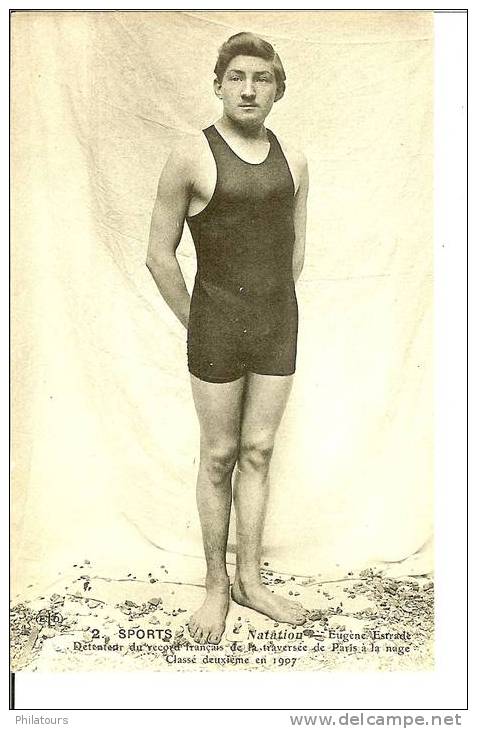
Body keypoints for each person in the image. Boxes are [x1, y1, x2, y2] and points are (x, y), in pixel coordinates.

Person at [146, 32, 309, 645]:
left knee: (259, 452)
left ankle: (251, 582)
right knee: (218, 457)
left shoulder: (296, 160)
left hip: (276, 324)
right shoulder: (191, 155)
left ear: (277, 89)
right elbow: (159, 256)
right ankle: (216, 587)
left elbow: (294, 252)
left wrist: (268, 309)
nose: (248, 88)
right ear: (218, 84)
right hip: (215, 325)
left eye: (262, 78)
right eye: (237, 76)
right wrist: (202, 320)